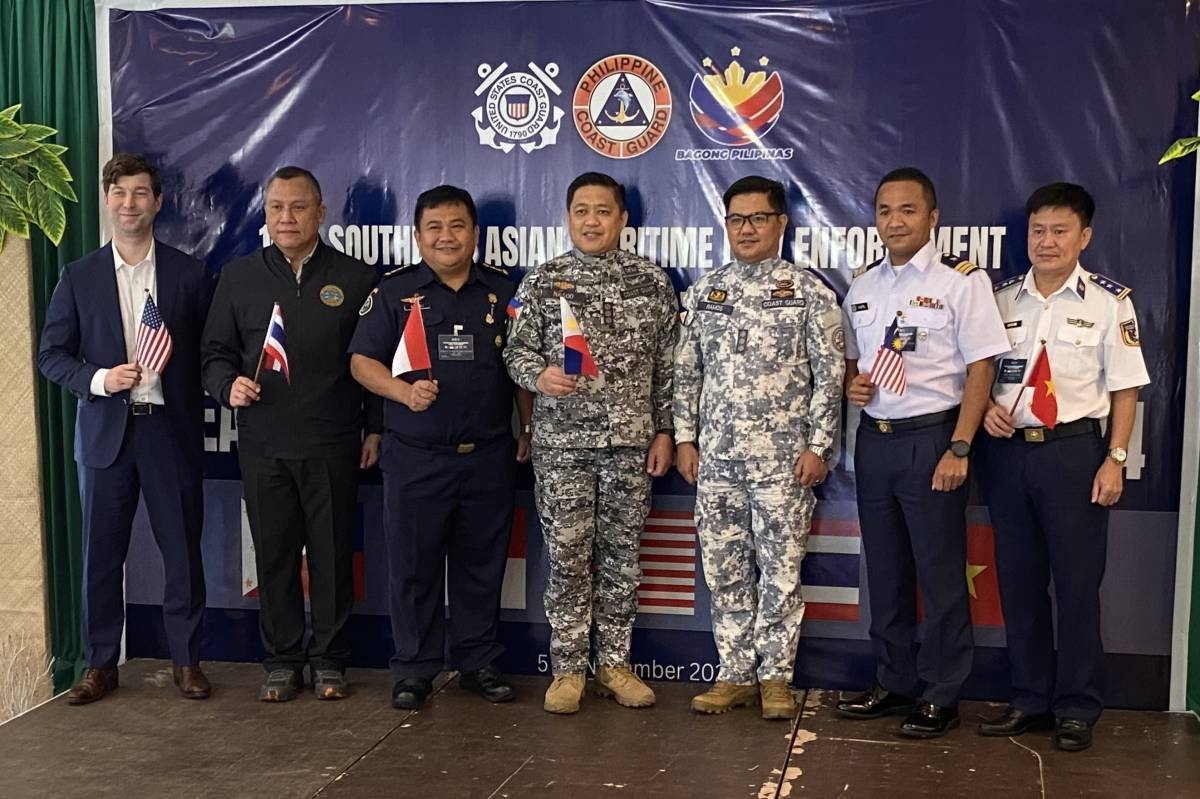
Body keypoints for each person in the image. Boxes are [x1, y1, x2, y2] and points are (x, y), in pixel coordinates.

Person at [836, 167, 1009, 737]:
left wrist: (960, 445)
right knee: (884, 573)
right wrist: (852, 387)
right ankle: (894, 681)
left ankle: (941, 691)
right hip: (877, 440)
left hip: (933, 438)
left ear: (932, 218)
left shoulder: (962, 281)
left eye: (908, 210)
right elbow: (855, 366)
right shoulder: (862, 285)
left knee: (938, 575)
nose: (895, 221)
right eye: (885, 211)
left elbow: (983, 364)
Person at [976, 183, 1149, 752]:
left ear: (1085, 237)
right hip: (1007, 455)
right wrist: (986, 414)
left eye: (1059, 231)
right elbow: (978, 377)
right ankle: (1028, 698)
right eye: (1037, 231)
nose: (1046, 242)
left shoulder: (1108, 302)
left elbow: (1125, 390)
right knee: (1019, 583)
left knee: (1076, 587)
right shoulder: (998, 300)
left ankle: (1076, 706)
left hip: (1075, 455)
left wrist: (1115, 459)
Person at [39, 153, 214, 703]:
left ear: (158, 202)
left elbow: (212, 353)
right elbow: (52, 355)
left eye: (141, 193)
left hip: (169, 432)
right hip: (105, 437)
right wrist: (99, 378)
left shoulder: (189, 273)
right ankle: (99, 665)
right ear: (107, 200)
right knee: (100, 554)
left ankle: (186, 663)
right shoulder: (79, 275)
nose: (130, 203)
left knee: (182, 552)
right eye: (120, 193)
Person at [349, 185, 533, 709]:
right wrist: (402, 393)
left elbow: (519, 369)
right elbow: (361, 362)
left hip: (489, 456)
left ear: (475, 234)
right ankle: (414, 670)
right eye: (435, 227)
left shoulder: (503, 292)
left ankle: (478, 663)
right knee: (413, 567)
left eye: (457, 226)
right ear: (418, 235)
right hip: (415, 456)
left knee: (482, 565)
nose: (446, 236)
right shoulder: (394, 292)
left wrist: (529, 426)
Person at [201, 166, 380, 702]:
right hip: (264, 443)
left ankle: (329, 660)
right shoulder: (238, 277)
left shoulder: (356, 277)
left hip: (334, 441)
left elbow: (378, 361)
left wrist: (377, 428)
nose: (287, 217)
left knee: (329, 556)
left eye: (298, 207)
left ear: (321, 213)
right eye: (277, 207)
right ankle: (281, 661)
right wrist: (226, 385)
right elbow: (214, 355)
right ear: (266, 213)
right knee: (275, 557)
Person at [503, 172, 678, 714]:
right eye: (581, 211)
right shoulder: (543, 281)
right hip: (562, 448)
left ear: (623, 220)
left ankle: (614, 666)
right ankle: (569, 671)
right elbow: (514, 352)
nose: (592, 221)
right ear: (568, 217)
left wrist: (667, 431)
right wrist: (540, 376)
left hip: (630, 446)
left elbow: (669, 368)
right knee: (569, 559)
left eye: (603, 211)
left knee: (623, 559)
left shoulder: (652, 283)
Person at [674, 176, 844, 720]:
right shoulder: (705, 293)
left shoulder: (810, 292)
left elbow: (830, 377)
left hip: (783, 465)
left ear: (781, 223)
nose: (746, 229)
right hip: (717, 460)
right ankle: (734, 675)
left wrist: (818, 446)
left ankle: (775, 678)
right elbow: (686, 372)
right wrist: (684, 437)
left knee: (780, 571)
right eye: (736, 220)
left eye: (758, 219)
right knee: (724, 570)